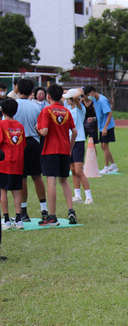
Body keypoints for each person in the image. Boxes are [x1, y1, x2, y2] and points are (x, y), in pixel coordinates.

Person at [36, 84, 78, 226]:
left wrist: (38, 130)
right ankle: (71, 210)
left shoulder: (46, 111)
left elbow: (45, 131)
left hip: (50, 150)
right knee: (64, 180)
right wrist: (70, 147)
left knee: (51, 181)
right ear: (61, 97)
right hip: (64, 150)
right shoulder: (66, 111)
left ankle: (52, 216)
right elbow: (75, 132)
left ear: (48, 96)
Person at [13, 79, 47, 223]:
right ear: (31, 92)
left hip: (18, 142)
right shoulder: (36, 107)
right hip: (33, 141)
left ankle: (23, 211)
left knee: (22, 178)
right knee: (37, 176)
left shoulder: (13, 105)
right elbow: (40, 127)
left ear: (17, 89)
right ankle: (44, 209)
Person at [63, 89, 93, 205]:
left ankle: (89, 197)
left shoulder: (80, 109)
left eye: (67, 98)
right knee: (73, 170)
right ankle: (77, 196)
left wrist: (80, 92)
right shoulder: (68, 107)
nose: (66, 100)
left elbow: (75, 98)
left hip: (78, 141)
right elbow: (64, 96)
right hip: (69, 140)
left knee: (79, 171)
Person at [0, 99, 26, 230]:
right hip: (18, 163)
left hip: (4, 164)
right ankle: (18, 219)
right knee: (16, 192)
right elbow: (23, 145)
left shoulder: (1, 124)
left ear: (2, 111)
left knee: (2, 190)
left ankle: (6, 220)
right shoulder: (20, 126)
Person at [83, 86, 117, 175]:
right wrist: (94, 119)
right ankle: (113, 165)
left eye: (88, 94)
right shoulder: (95, 100)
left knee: (104, 146)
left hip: (107, 126)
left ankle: (106, 167)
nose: (88, 97)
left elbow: (109, 114)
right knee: (103, 146)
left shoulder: (102, 100)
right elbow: (99, 113)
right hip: (102, 126)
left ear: (93, 92)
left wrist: (105, 127)